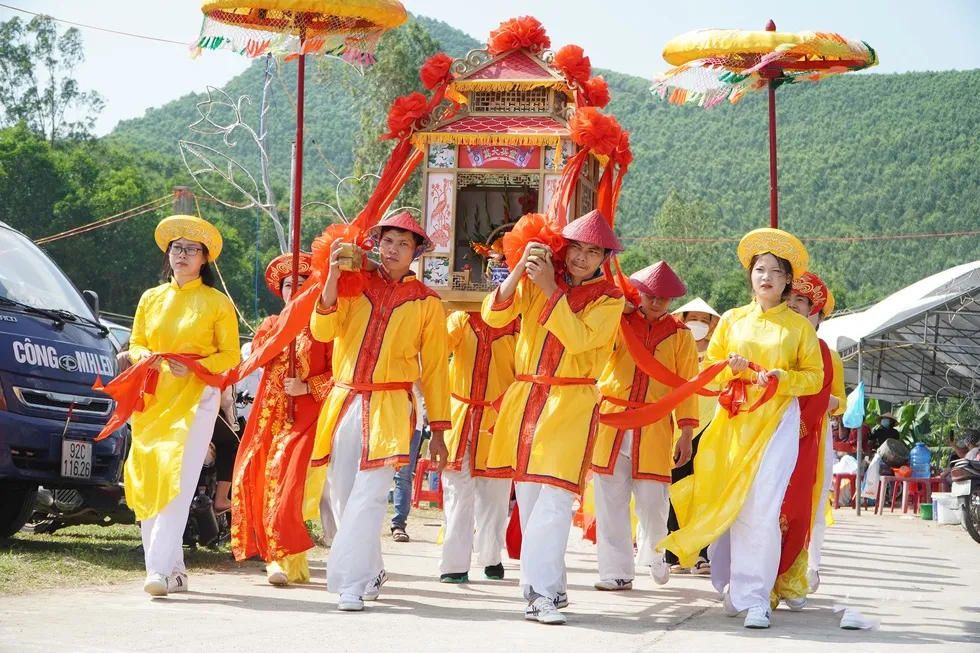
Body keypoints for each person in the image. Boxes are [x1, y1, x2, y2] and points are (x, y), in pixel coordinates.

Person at [660, 227, 823, 630]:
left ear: (788, 281)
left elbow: (814, 378)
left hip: (776, 424)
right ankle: (733, 584)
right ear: (750, 276)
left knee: (762, 510)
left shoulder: (798, 328)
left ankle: (757, 599)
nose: (765, 276)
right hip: (733, 422)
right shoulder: (731, 320)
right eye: (759, 269)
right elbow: (709, 374)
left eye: (775, 271)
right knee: (730, 504)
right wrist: (727, 371)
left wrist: (780, 378)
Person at [483, 209, 625, 625]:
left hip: (571, 402)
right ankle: (551, 587)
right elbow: (494, 316)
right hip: (526, 399)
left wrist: (549, 291)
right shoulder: (541, 278)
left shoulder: (610, 298)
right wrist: (519, 269)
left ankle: (539, 594)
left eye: (593, 251)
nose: (582, 258)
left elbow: (580, 341)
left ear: (604, 257)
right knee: (529, 504)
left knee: (557, 500)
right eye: (577, 248)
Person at [310, 211, 451, 612]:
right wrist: (333, 278)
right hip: (345, 398)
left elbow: (437, 369)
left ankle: (350, 584)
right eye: (388, 241)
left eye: (404, 244)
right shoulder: (355, 285)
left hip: (390, 404)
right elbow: (322, 331)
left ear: (416, 253)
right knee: (339, 493)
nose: (393, 250)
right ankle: (370, 568)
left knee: (370, 496)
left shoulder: (426, 302)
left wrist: (439, 429)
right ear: (376, 243)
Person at [127, 214, 240, 597]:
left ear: (204, 259)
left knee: (178, 480)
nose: (182, 254)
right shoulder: (150, 298)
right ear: (168, 254)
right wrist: (149, 358)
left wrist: (195, 365)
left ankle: (157, 570)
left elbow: (230, 355)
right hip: (153, 397)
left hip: (196, 398)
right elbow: (136, 343)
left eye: (192, 250)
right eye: (177, 248)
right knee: (148, 476)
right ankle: (172, 569)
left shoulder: (216, 302)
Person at [591, 261, 698, 591]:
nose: (655, 302)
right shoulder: (617, 322)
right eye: (650, 295)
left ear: (672, 301)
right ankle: (616, 572)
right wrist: (612, 309)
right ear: (639, 292)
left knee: (654, 501)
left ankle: (654, 554)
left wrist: (686, 433)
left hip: (654, 424)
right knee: (610, 501)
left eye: (663, 298)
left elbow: (687, 385)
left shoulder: (681, 336)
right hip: (612, 421)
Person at [231, 252, 333, 585]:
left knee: (287, 484)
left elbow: (338, 372)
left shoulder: (324, 328)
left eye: (302, 283)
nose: (294, 289)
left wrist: (307, 385)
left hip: (305, 417)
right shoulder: (271, 325)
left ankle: (288, 557)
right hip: (268, 415)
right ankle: (273, 558)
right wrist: (287, 329)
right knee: (258, 478)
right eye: (289, 285)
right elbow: (261, 356)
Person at [775, 271, 846, 605]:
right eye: (788, 301)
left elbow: (838, 401)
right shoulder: (772, 340)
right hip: (768, 431)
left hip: (813, 435)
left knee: (811, 504)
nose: (793, 307)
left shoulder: (827, 355)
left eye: (800, 303)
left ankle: (799, 572)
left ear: (814, 312)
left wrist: (809, 410)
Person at [439, 310, 519, 583]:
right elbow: (440, 347)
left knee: (495, 495)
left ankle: (491, 556)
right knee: (457, 493)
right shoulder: (461, 318)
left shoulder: (518, 323)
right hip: (459, 417)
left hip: (499, 420)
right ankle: (454, 564)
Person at [666, 298, 721, 575]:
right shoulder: (676, 349)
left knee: (705, 490)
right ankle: (673, 553)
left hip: (710, 429)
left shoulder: (719, 355)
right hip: (677, 428)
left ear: (712, 326)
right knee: (675, 490)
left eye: (704, 319)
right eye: (693, 318)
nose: (698, 324)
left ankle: (703, 553)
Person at [390, 380, 428, 543]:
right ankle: (369, 524)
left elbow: (425, 387)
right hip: (385, 418)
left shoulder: (420, 356)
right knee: (375, 473)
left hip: (413, 421)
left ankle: (398, 524)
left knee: (403, 475)